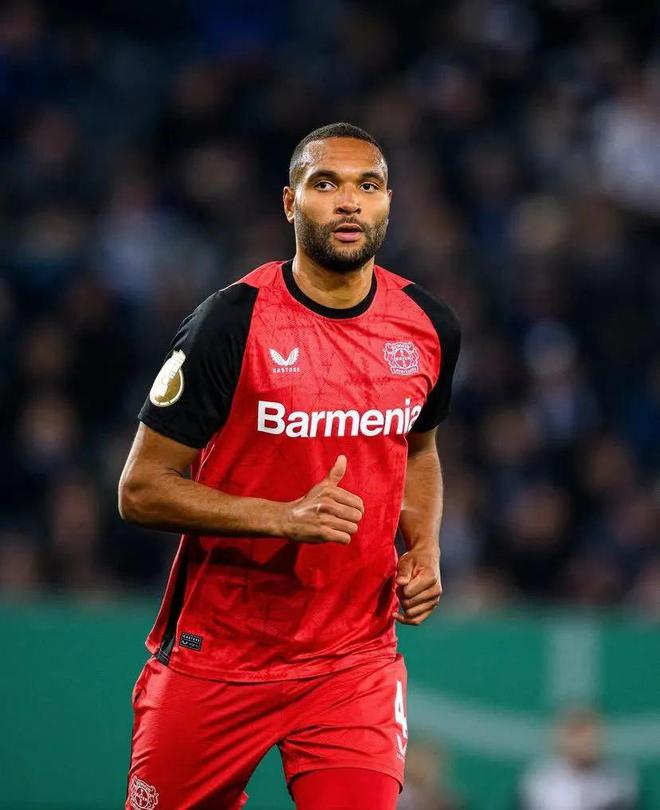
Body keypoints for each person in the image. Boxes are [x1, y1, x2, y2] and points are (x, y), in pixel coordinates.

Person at [118, 122, 461, 810]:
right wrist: (282, 517)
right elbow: (140, 490)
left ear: (388, 203)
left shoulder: (429, 325)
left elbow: (419, 449)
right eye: (325, 184)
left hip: (354, 660)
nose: (349, 201)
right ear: (289, 202)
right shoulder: (229, 323)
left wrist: (423, 547)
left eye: (367, 186)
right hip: (219, 655)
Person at [519, 707, 639, 810]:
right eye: (576, 733)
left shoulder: (619, 783)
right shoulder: (539, 784)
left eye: (589, 732)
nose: (583, 741)